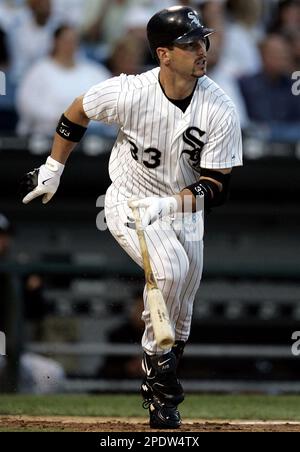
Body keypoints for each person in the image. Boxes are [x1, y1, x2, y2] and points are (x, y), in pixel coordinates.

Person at [20, 5, 243, 428]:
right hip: (130, 200)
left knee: (181, 315)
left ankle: (158, 391)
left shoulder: (220, 106)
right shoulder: (130, 91)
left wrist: (173, 204)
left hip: (184, 209)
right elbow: (77, 111)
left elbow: (216, 187)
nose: (202, 50)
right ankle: (156, 376)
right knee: (171, 271)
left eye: (203, 41)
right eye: (190, 44)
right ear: (163, 54)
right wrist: (53, 168)